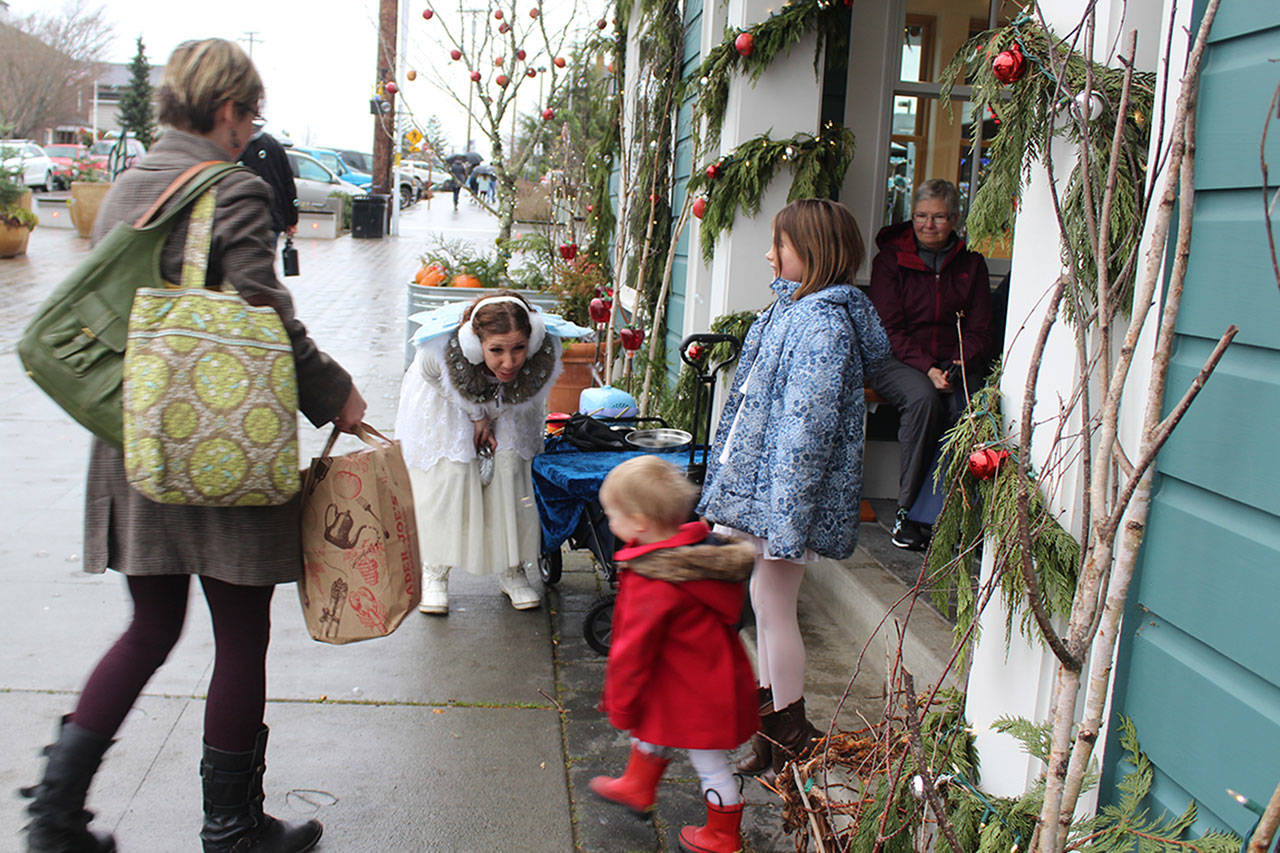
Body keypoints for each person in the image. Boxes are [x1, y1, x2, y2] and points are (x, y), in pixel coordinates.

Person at [20, 38, 366, 853]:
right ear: (225, 109)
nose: (251, 132)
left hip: (139, 441)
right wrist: (336, 395)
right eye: (249, 115)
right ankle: (233, 828)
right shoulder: (232, 190)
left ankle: (55, 813)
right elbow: (266, 319)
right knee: (242, 632)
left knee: (150, 626)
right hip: (222, 444)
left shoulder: (131, 185)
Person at [698, 198, 890, 779]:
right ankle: (772, 731)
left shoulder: (823, 326)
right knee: (765, 604)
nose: (767, 253)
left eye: (778, 244)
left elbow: (806, 429)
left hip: (783, 497)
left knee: (775, 607)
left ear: (812, 252)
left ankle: (790, 732)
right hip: (764, 491)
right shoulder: (791, 312)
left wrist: (787, 515)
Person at [589, 455, 758, 853]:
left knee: (710, 764)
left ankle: (722, 836)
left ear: (639, 523)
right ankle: (637, 784)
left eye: (613, 515)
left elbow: (631, 651)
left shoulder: (654, 579)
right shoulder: (701, 554)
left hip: (695, 692)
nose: (610, 523)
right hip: (703, 677)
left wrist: (621, 702)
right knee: (658, 724)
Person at [394, 290, 563, 614]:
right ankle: (435, 572)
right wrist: (475, 413)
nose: (509, 362)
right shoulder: (442, 352)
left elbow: (522, 378)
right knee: (451, 479)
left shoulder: (542, 354)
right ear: (476, 345)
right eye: (496, 350)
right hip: (450, 400)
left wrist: (495, 414)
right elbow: (432, 376)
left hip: (512, 404)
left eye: (518, 349)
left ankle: (512, 569)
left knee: (509, 474)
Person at [867, 178, 993, 551]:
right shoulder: (890, 261)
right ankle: (907, 512)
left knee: (965, 408)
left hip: (952, 361)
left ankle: (948, 515)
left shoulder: (971, 264)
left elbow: (981, 328)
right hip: (897, 359)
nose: (928, 224)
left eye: (939, 217)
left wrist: (957, 364)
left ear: (954, 218)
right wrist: (928, 368)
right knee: (923, 399)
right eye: (921, 215)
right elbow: (890, 328)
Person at [238, 128, 297, 250]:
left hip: (245, 217)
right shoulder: (274, 145)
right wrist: (291, 219)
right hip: (271, 216)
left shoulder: (236, 145)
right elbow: (287, 182)